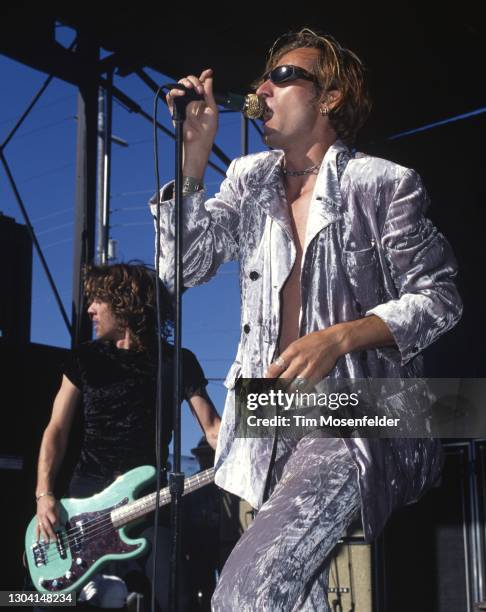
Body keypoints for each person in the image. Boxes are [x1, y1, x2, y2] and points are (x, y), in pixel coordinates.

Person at [151, 27, 462, 611]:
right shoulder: (249, 179)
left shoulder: (382, 184)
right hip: (266, 421)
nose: (262, 88)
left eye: (283, 76)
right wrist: (193, 157)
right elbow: (183, 267)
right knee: (295, 600)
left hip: (351, 414)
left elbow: (440, 296)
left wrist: (342, 336)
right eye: (262, 79)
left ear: (331, 96)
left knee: (245, 593)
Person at [34, 262, 221, 610]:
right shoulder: (84, 359)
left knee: (175, 597)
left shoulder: (177, 361)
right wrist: (44, 493)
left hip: (149, 503)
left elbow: (212, 429)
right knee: (53, 602)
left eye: (98, 301)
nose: (90, 309)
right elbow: (56, 430)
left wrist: (263, 437)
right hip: (83, 508)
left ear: (125, 305)